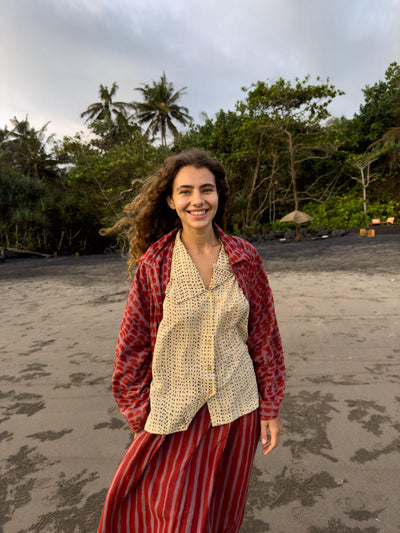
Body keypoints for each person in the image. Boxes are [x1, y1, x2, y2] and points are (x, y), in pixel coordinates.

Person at [98, 149, 285, 533]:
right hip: (173, 415)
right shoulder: (156, 264)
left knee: (219, 513)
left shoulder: (245, 258)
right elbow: (132, 348)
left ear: (219, 196)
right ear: (171, 200)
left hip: (237, 409)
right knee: (172, 516)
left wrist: (270, 408)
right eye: (186, 191)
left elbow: (264, 337)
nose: (197, 200)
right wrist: (139, 417)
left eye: (206, 190)